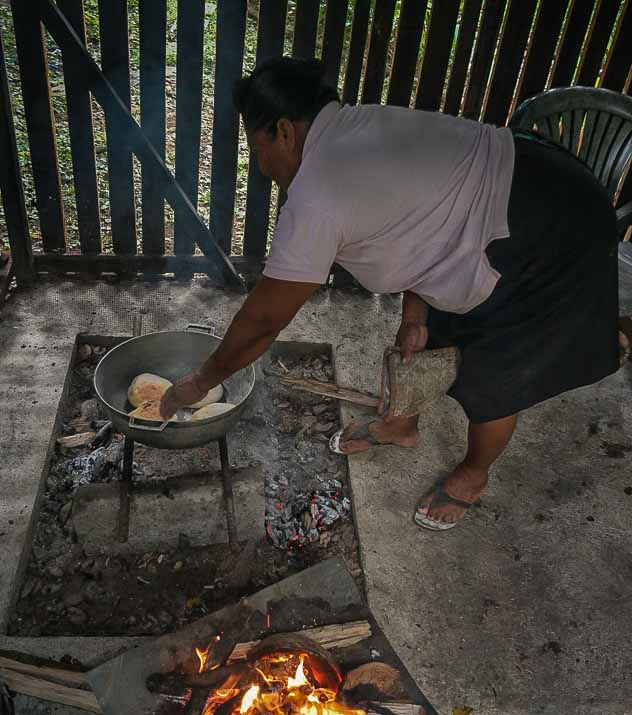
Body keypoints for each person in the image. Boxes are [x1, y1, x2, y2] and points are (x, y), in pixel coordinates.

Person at [160, 57, 619, 531]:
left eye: (258, 147)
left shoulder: (319, 192)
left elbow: (262, 322)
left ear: (284, 131)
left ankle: (473, 474)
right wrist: (415, 314)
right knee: (429, 338)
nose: (260, 165)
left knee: (496, 372)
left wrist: (200, 380)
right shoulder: (358, 126)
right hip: (524, 187)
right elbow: (427, 217)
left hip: (555, 226)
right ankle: (401, 426)